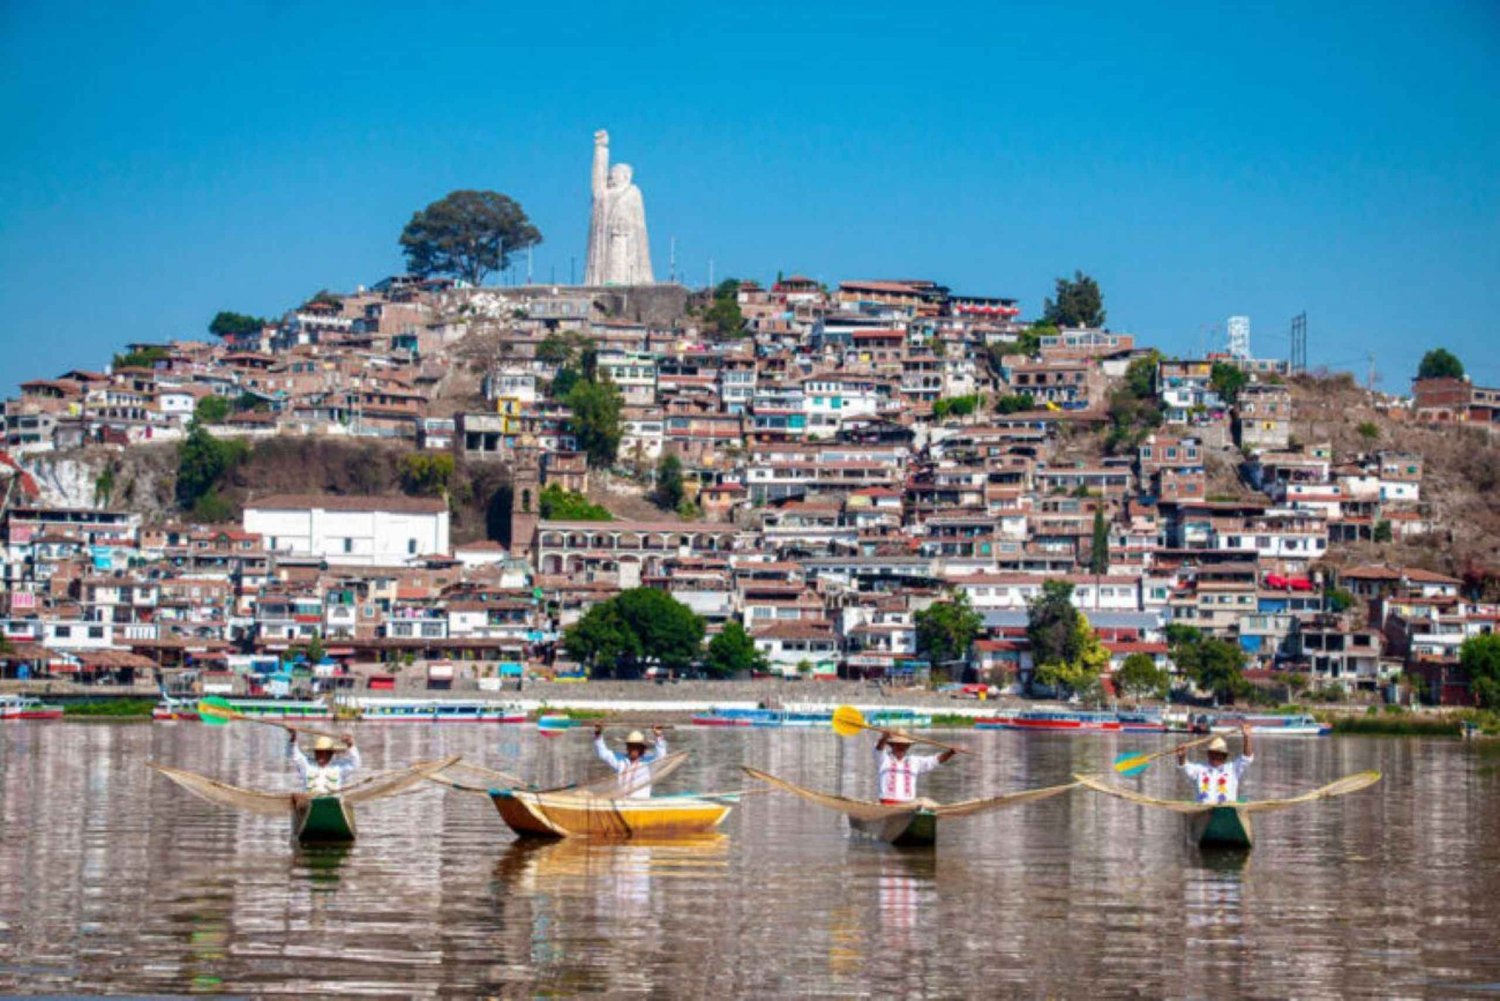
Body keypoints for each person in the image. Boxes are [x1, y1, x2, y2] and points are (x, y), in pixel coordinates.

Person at [1176, 724, 1253, 804]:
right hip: (1203, 809)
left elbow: (1247, 758)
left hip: (1226, 809)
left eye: (1219, 754)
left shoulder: (1232, 768)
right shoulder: (1200, 769)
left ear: (1224, 756)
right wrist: (1182, 756)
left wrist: (1247, 738)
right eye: (1212, 753)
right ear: (1208, 754)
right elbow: (1184, 766)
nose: (1215, 757)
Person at [875, 731, 955, 805]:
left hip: (908, 805)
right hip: (887, 803)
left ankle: (944, 810)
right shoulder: (884, 759)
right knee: (923, 802)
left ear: (908, 746)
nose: (901, 747)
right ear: (892, 745)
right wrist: (884, 738)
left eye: (904, 745)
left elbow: (935, 760)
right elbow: (879, 749)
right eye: (898, 744)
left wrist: (951, 753)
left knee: (924, 802)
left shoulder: (913, 761)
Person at [593, 725, 667, 799]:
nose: (634, 749)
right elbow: (603, 753)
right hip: (623, 802)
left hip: (641, 803)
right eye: (631, 746)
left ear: (642, 749)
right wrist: (598, 735)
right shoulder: (620, 761)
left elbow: (661, 756)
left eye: (637, 747)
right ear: (627, 747)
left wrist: (659, 736)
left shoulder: (648, 763)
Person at [288, 732, 360, 798]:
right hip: (310, 802)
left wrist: (350, 744)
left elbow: (355, 764)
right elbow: (295, 754)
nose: (321, 756)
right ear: (315, 753)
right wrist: (293, 737)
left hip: (332, 803)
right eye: (318, 752)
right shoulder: (307, 765)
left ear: (331, 754)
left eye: (325, 753)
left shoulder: (338, 767)